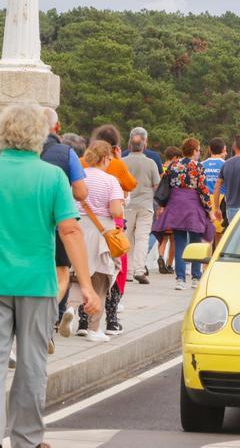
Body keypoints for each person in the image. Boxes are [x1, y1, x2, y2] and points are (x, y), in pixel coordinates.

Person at [0, 104, 101, 448]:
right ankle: (27, 437)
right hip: (38, 283)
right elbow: (70, 230)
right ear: (40, 135)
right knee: (32, 362)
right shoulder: (51, 176)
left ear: (1, 133)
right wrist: (86, 286)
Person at [65, 140, 124, 340]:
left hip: (78, 228)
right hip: (101, 232)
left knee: (76, 276)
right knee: (100, 280)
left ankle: (71, 309)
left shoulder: (79, 177)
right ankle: (93, 328)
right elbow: (116, 210)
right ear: (106, 157)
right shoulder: (110, 181)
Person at [39, 107, 88, 347]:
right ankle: (49, 319)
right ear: (56, 127)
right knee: (61, 273)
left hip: (30, 220)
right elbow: (81, 192)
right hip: (59, 220)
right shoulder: (66, 153)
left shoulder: (22, 151)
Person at [88, 125, 136, 335]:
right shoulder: (115, 165)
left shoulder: (81, 164)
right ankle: (111, 318)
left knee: (83, 272)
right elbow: (131, 184)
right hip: (109, 227)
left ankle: (80, 316)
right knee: (114, 270)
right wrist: (119, 160)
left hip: (82, 226)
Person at [153, 138, 215, 290]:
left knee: (179, 241)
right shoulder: (197, 166)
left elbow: (166, 185)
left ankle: (180, 278)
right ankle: (195, 277)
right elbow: (203, 190)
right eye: (199, 150)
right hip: (193, 206)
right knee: (195, 242)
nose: (199, 153)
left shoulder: (174, 165)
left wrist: (163, 206)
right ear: (194, 151)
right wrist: (209, 209)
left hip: (176, 206)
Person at [122, 132, 160, 285]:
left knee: (127, 237)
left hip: (127, 205)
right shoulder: (151, 163)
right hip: (145, 204)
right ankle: (139, 269)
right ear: (144, 145)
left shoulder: (123, 162)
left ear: (130, 145)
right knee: (142, 238)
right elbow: (156, 185)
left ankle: (128, 272)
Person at [214, 135, 240, 223]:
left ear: (234, 147)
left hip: (230, 209)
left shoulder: (226, 164)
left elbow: (217, 185)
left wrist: (217, 208)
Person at [156, 146, 182, 274]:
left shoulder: (160, 169)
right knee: (173, 239)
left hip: (160, 206)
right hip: (173, 207)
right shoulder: (175, 170)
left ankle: (160, 256)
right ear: (175, 158)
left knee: (162, 236)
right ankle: (169, 264)